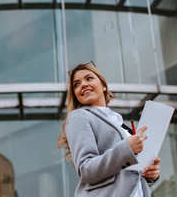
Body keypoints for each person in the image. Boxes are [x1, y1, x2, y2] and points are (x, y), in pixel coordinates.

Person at [57, 62, 160, 196]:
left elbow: (124, 171)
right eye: (76, 84)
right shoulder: (79, 116)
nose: (83, 85)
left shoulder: (118, 122)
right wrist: (127, 148)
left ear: (104, 86)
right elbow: (85, 169)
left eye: (89, 78)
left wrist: (151, 174)